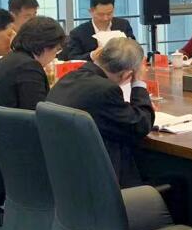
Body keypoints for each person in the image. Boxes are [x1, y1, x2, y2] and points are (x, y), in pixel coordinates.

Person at [46, 37, 154, 187]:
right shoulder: (105, 90)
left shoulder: (69, 78)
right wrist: (138, 83)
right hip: (100, 182)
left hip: (63, 177)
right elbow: (140, 125)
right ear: (126, 75)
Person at [0, 16, 66, 147]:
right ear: (45, 47)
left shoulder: (11, 61)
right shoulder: (28, 68)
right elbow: (38, 117)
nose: (55, 56)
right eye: (56, 50)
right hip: (7, 149)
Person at [64, 0, 136, 59]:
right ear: (91, 11)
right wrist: (91, 55)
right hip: (92, 67)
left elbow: (135, 49)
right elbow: (73, 58)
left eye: (109, 13)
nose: (105, 18)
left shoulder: (123, 25)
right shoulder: (78, 33)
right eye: (101, 14)